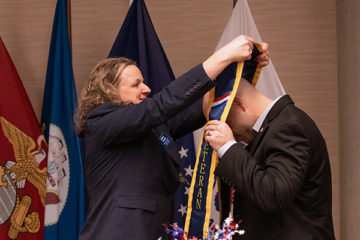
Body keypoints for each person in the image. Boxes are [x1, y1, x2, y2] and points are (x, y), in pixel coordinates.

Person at [74, 35, 269, 240]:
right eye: (136, 84)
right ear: (109, 91)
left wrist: (243, 67)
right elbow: (162, 104)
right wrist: (223, 56)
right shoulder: (100, 122)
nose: (147, 89)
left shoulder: (153, 128)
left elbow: (206, 105)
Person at [204, 79, 335, 239]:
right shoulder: (270, 129)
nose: (228, 131)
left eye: (226, 122)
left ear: (238, 104)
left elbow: (274, 194)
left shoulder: (289, 127)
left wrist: (229, 147)